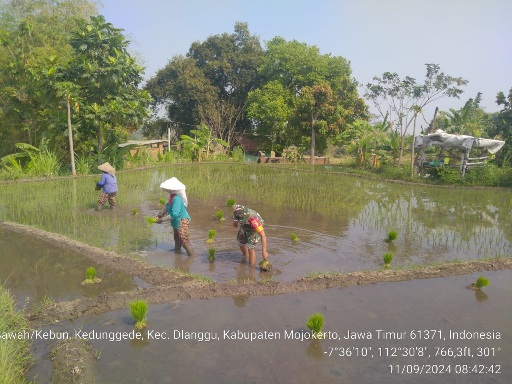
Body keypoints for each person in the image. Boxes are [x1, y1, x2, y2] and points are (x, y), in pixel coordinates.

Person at [156, 177, 195, 256]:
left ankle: (192, 258)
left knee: (184, 241)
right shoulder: (171, 197)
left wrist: (162, 220)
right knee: (177, 239)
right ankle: (177, 254)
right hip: (176, 221)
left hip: (182, 220)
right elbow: (167, 205)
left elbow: (175, 214)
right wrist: (161, 213)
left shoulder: (177, 198)